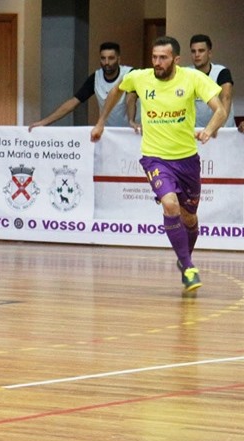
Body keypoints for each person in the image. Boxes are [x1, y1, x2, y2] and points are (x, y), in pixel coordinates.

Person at [91, 36, 226, 292]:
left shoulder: (193, 78)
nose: (157, 63)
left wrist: (208, 130)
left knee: (190, 219)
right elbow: (116, 90)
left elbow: (220, 109)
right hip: (155, 157)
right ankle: (188, 267)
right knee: (169, 204)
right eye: (154, 57)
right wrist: (101, 122)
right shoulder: (140, 78)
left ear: (176, 59)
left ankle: (184, 257)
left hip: (187, 160)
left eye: (163, 58)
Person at [29, 42, 135, 130]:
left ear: (119, 59)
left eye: (111, 58)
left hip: (132, 129)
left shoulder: (129, 74)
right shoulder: (96, 78)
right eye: (103, 58)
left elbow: (131, 99)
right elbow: (73, 102)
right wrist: (44, 122)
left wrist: (131, 120)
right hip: (108, 131)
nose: (106, 62)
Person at [188, 34, 235, 129]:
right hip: (198, 132)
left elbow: (226, 98)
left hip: (223, 131)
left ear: (209, 53)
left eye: (201, 51)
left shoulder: (221, 72)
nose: (197, 55)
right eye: (193, 51)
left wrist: (219, 128)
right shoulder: (187, 73)